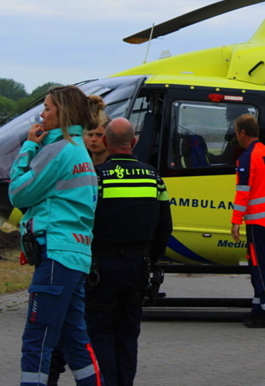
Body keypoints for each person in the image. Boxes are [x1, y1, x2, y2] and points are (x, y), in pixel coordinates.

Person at [10, 86, 102, 386]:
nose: (42, 114)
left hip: (55, 255)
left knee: (38, 336)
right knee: (75, 339)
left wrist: (27, 148)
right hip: (75, 256)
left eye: (47, 108)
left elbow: (18, 192)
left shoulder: (57, 149)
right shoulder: (79, 150)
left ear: (61, 112)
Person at [86, 117, 172, 386]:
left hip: (101, 268)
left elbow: (84, 222)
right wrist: (150, 260)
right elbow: (165, 227)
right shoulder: (154, 178)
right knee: (128, 334)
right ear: (133, 142)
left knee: (100, 332)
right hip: (138, 266)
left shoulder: (96, 178)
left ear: (105, 142)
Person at [47, 95, 110, 385]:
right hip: (80, 257)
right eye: (92, 134)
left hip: (76, 257)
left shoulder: (92, 168)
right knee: (72, 332)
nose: (95, 140)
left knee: (66, 332)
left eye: (100, 135)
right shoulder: (79, 162)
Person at [230, 113, 265, 328]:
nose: (236, 137)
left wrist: (236, 221)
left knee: (259, 268)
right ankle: (257, 310)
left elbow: (243, 191)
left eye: (236, 133)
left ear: (243, 133)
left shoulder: (247, 157)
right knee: (261, 265)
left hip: (258, 222)